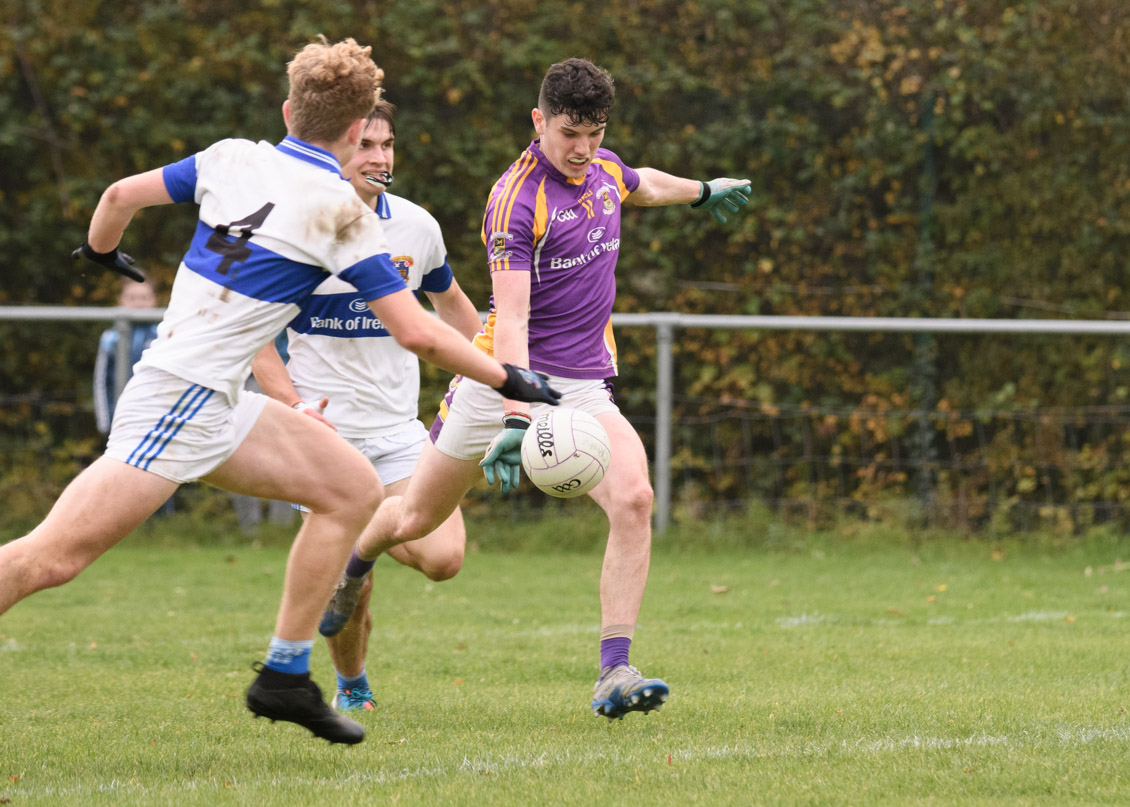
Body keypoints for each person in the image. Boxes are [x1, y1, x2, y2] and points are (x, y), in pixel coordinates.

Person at [0, 36, 558, 746]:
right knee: (50, 558)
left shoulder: (233, 154)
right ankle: (288, 672)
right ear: (357, 131)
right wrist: (509, 376)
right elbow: (418, 334)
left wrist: (103, 250)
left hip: (220, 399)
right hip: (180, 398)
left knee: (351, 490)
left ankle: (285, 676)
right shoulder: (340, 213)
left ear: (288, 108)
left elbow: (118, 197)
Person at [319, 57, 751, 720]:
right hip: (499, 378)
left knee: (635, 498)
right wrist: (517, 413)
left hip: (582, 384)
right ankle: (352, 569)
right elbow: (510, 316)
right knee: (413, 522)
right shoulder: (515, 199)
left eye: (594, 133)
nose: (582, 150)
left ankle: (614, 670)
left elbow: (643, 186)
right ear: (538, 121)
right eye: (568, 133)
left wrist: (703, 189)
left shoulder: (602, 168)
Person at [251, 99, 482, 713]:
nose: (379, 157)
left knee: (444, 558)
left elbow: (453, 306)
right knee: (359, 588)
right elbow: (256, 344)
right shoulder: (298, 230)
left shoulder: (415, 227)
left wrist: (496, 371)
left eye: (388, 145)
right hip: (325, 439)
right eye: (367, 144)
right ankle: (352, 687)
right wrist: (296, 407)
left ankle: (355, 558)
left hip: (400, 432)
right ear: (337, 146)